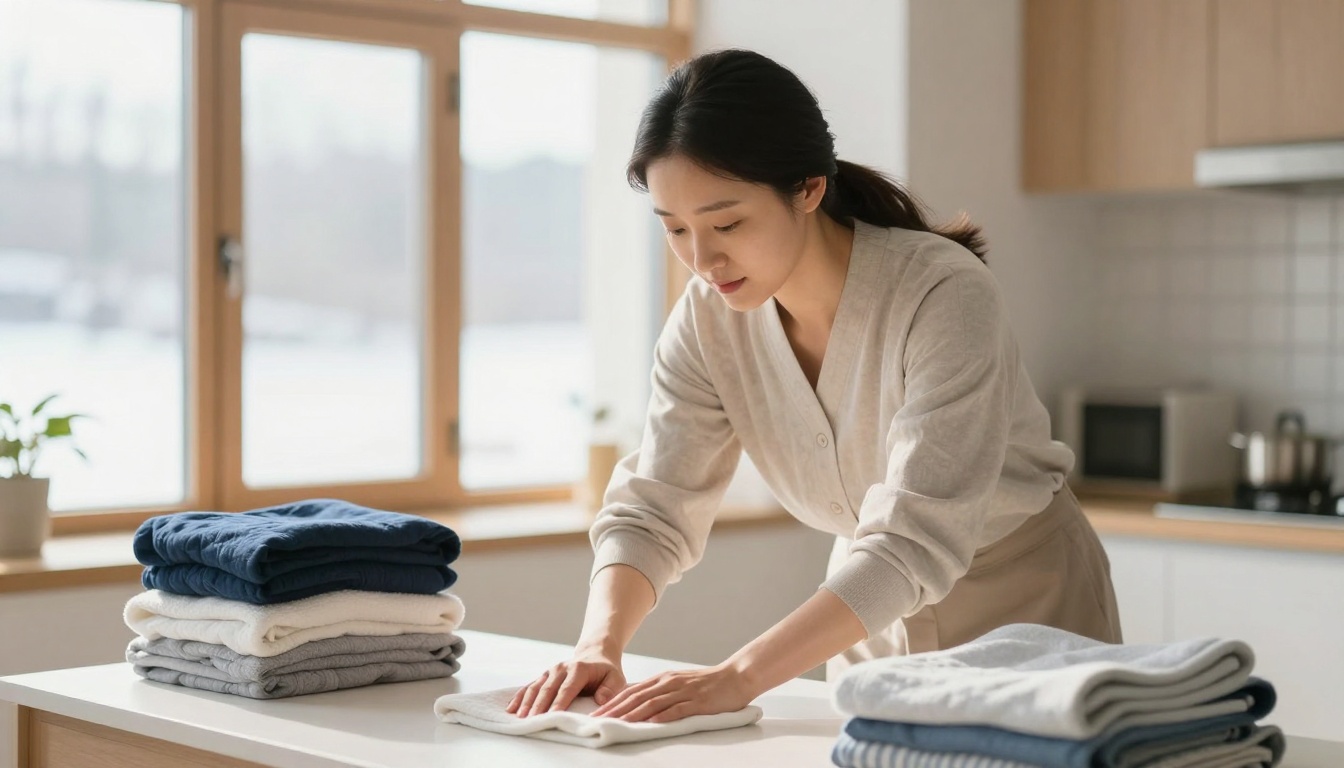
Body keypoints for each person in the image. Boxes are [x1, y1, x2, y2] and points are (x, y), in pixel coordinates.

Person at [506, 48, 1122, 724]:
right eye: (676, 229)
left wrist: (739, 677)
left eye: (727, 223)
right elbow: (656, 507)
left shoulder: (942, 294)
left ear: (807, 187)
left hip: (1025, 608)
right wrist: (600, 644)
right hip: (865, 617)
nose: (702, 259)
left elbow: (915, 537)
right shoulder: (708, 320)